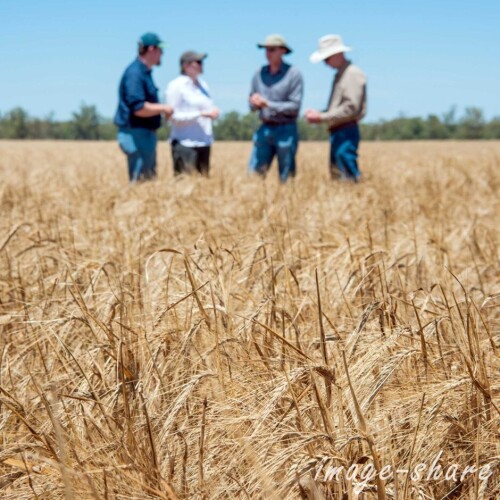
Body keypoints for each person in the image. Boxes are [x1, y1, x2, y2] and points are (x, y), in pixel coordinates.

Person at [305, 35, 367, 182]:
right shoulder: (342, 75)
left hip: (346, 131)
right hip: (339, 131)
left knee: (347, 177)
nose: (325, 64)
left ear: (337, 54)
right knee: (339, 175)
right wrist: (321, 113)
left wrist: (321, 117)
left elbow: (351, 108)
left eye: (326, 59)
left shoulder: (352, 74)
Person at [114, 32, 173, 182]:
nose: (163, 54)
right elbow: (138, 107)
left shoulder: (144, 72)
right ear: (152, 49)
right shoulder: (135, 73)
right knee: (141, 182)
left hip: (142, 134)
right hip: (136, 134)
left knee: (147, 182)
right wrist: (164, 108)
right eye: (161, 50)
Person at [248, 34, 303, 183]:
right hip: (264, 127)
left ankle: (287, 205)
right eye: (265, 49)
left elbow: (295, 106)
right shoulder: (259, 73)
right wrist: (254, 102)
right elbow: (251, 104)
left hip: (286, 128)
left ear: (283, 51)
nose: (268, 53)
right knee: (254, 174)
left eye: (272, 49)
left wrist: (268, 104)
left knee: (287, 176)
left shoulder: (293, 74)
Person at [165, 51, 219, 176]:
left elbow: (208, 107)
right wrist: (200, 114)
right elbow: (171, 116)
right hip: (185, 143)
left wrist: (214, 112)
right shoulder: (176, 86)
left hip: (203, 141)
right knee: (184, 182)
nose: (201, 65)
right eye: (198, 62)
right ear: (185, 65)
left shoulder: (203, 85)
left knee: (203, 186)